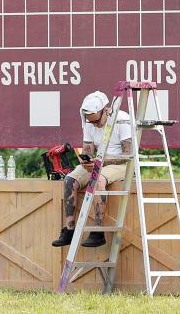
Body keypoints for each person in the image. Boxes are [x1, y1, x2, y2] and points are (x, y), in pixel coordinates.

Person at [51, 91, 133, 248]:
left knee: (97, 179)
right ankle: (69, 230)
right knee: (70, 180)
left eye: (96, 121)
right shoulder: (88, 122)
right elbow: (88, 151)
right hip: (100, 162)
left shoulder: (122, 119)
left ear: (106, 110)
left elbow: (128, 155)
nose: (94, 125)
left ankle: (98, 231)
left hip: (122, 164)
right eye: (91, 121)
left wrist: (100, 162)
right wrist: (86, 162)